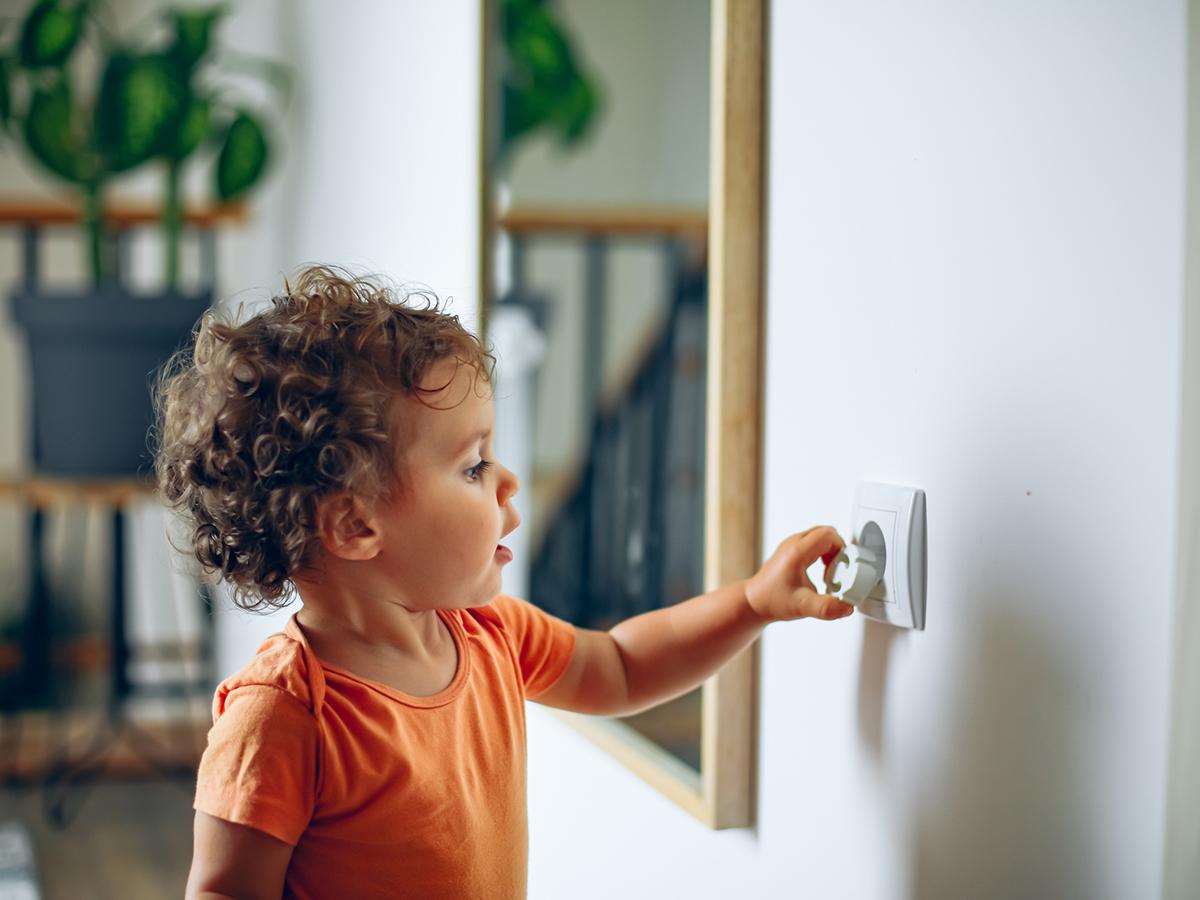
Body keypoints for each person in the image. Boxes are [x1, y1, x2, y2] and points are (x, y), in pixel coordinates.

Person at [156, 265, 853, 900]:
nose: (508, 480)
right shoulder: (282, 716)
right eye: (473, 465)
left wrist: (751, 604)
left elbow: (621, 665)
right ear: (355, 527)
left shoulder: (491, 635)